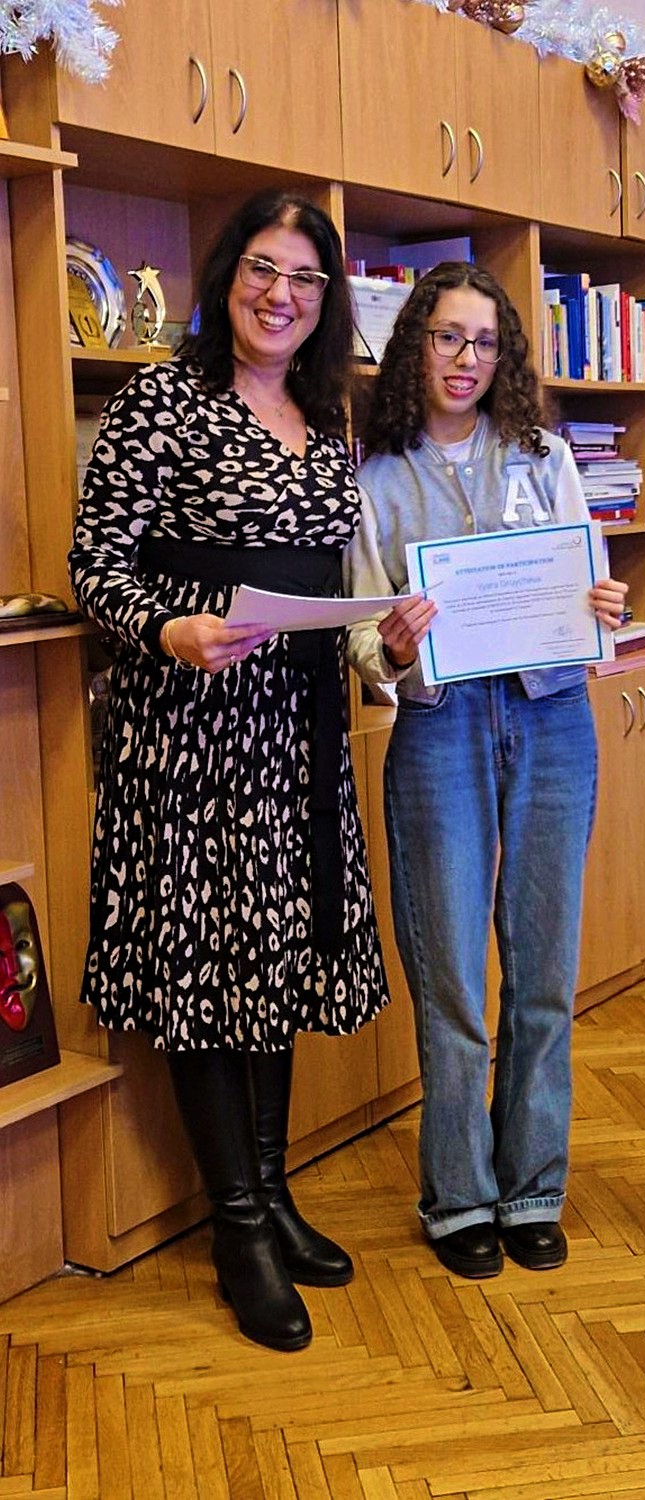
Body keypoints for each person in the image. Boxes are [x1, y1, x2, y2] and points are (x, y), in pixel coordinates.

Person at [68, 189, 388, 1352]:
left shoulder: (326, 412)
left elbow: (332, 574)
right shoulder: (161, 400)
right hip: (193, 735)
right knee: (211, 968)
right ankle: (238, 1227)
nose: (280, 294)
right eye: (262, 268)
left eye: (304, 278)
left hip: (300, 730)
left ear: (326, 300)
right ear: (226, 276)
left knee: (277, 961)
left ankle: (275, 1190)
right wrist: (171, 630)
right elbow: (96, 568)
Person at [344, 261, 627, 1280]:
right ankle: (459, 1194)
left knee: (544, 969)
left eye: (484, 342)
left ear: (502, 357)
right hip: (442, 727)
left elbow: (592, 584)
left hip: (551, 717)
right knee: (452, 975)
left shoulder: (543, 456)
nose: (465, 359)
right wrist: (391, 649)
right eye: (446, 337)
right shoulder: (375, 476)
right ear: (414, 344)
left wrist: (602, 606)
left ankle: (534, 1185)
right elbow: (361, 635)